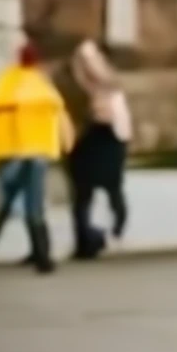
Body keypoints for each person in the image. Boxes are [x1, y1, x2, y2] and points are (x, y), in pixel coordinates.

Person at [0, 41, 74, 273]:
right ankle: (41, 255)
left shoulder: (5, 83)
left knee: (11, 198)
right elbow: (59, 113)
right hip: (38, 152)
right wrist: (67, 143)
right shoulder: (43, 85)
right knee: (32, 203)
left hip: (13, 152)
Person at [67, 40, 132, 259]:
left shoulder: (109, 90)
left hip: (106, 138)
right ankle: (89, 238)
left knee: (105, 191)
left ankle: (109, 233)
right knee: (86, 194)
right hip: (93, 138)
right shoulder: (84, 85)